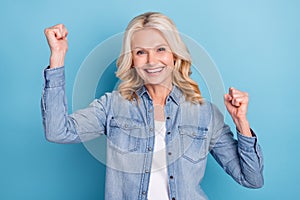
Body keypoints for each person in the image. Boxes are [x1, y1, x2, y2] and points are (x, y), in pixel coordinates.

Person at [42, 12, 264, 200]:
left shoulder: (205, 114)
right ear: (132, 59)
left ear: (175, 55)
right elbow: (58, 131)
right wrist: (58, 57)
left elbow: (252, 179)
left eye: (160, 49)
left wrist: (241, 123)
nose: (151, 60)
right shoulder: (112, 106)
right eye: (141, 52)